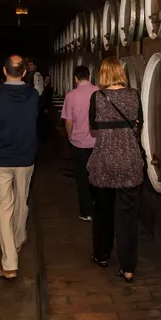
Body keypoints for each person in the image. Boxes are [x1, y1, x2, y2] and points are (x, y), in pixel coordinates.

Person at [87, 57, 144, 282]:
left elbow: (93, 126)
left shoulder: (97, 97)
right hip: (129, 162)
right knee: (128, 216)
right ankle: (128, 267)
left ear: (102, 75)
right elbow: (139, 122)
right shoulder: (134, 95)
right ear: (121, 72)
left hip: (104, 161)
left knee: (103, 212)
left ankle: (102, 255)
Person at [0, 55, 39, 279]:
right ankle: (16, 241)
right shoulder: (33, 96)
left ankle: (9, 263)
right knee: (21, 201)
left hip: (0, 158)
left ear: (4, 72)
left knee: (4, 208)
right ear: (24, 72)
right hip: (25, 156)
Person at [61, 66, 98, 221]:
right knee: (97, 176)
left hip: (79, 143)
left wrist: (70, 136)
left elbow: (68, 121)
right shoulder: (99, 92)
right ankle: (98, 208)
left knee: (82, 178)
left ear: (75, 78)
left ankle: (86, 211)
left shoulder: (71, 96)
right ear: (89, 76)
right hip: (97, 142)